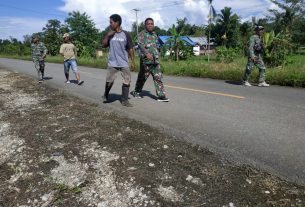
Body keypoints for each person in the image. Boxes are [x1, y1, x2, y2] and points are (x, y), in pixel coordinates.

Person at [131, 17, 169, 102]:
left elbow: (156, 46)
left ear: (153, 25)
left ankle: (161, 96)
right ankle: (137, 91)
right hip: (146, 61)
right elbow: (139, 45)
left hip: (155, 61)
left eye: (151, 24)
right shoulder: (141, 34)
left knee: (158, 77)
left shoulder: (155, 34)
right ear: (145, 25)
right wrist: (146, 53)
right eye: (148, 24)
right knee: (142, 77)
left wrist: (158, 55)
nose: (150, 25)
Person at [101, 14, 135, 107]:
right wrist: (107, 36)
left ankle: (125, 101)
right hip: (112, 62)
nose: (110, 24)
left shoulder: (126, 34)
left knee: (127, 81)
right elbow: (103, 45)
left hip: (124, 63)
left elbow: (130, 48)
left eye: (111, 22)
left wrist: (132, 61)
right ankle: (106, 94)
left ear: (117, 22)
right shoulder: (110, 34)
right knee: (109, 81)